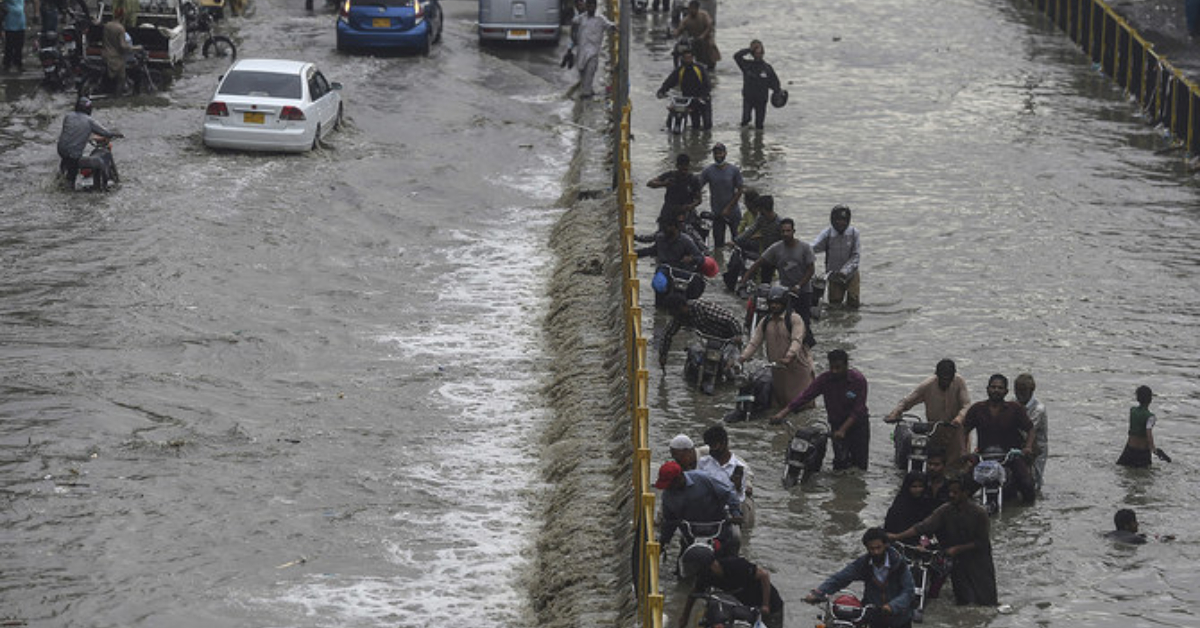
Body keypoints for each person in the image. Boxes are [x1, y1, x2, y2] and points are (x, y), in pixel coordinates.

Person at [889, 476, 997, 606]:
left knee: (987, 601)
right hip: (957, 562)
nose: (951, 495)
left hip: (979, 561)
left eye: (955, 492)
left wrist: (957, 549)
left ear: (966, 493)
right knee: (964, 600)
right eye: (949, 492)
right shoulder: (945, 510)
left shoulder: (980, 514)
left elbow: (982, 542)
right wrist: (897, 537)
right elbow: (923, 527)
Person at [771, 349, 871, 471]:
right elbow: (805, 396)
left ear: (846, 365)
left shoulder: (858, 380)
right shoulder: (824, 380)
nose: (835, 371)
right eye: (832, 367)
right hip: (836, 424)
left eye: (838, 367)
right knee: (839, 463)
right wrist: (782, 413)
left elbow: (858, 409)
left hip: (857, 426)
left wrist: (843, 430)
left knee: (859, 465)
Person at [805, 528, 916, 628]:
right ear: (867, 548)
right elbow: (840, 578)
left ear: (886, 545)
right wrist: (819, 593)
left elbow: (908, 591)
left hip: (900, 620)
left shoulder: (899, 564)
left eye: (878, 548)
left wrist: (891, 607)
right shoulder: (863, 564)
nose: (876, 552)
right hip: (874, 618)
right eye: (872, 549)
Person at [954, 374, 1036, 504]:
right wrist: (963, 451)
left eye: (1000, 388)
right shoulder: (977, 409)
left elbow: (1030, 429)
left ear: (1006, 391)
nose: (996, 390)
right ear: (987, 389)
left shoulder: (1015, 409)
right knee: (963, 486)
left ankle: (1028, 513)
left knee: (1027, 484)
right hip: (983, 456)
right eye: (993, 387)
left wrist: (1028, 447)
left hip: (1009, 456)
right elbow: (963, 430)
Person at [739, 218, 816, 347]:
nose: (786, 234)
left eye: (788, 231)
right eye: (783, 231)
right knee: (782, 321)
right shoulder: (776, 248)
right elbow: (758, 262)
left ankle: (807, 348)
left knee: (804, 323)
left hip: (803, 291)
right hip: (785, 292)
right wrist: (743, 280)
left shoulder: (805, 248)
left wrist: (799, 285)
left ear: (793, 231)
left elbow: (811, 270)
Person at [885, 359, 971, 474]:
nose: (945, 382)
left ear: (953, 376)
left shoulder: (959, 382)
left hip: (956, 429)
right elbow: (907, 401)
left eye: (949, 379)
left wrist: (959, 419)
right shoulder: (928, 385)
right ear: (937, 375)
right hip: (935, 428)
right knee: (933, 461)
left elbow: (966, 405)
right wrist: (894, 414)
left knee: (958, 462)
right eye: (943, 379)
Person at [737, 286, 813, 410]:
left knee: (801, 404)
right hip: (778, 368)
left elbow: (797, 340)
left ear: (784, 303)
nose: (774, 306)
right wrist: (741, 358)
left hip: (798, 368)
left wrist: (789, 355)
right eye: (772, 303)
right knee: (780, 402)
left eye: (777, 303)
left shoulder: (794, 319)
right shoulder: (765, 321)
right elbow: (754, 343)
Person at [654, 460, 743, 554]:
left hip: (717, 529)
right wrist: (663, 542)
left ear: (679, 478)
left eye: (670, 485)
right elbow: (669, 521)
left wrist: (735, 513)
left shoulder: (703, 479)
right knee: (684, 562)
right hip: (690, 534)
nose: (669, 489)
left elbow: (728, 493)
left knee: (732, 546)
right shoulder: (667, 496)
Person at [679, 554, 784, 628]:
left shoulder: (736, 565)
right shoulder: (706, 576)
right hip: (746, 605)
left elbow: (764, 575)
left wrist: (765, 605)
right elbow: (693, 595)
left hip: (770, 603)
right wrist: (685, 617)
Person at [659, 293, 743, 371]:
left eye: (672, 311)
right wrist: (663, 354)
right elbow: (667, 334)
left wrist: (738, 335)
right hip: (709, 338)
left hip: (728, 339)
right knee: (695, 357)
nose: (672, 315)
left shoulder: (701, 307)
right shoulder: (679, 317)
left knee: (731, 367)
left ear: (681, 307)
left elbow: (730, 319)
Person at [698, 425, 755, 530]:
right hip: (706, 513)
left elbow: (740, 498)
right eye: (709, 446)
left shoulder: (739, 467)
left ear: (724, 443)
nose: (711, 450)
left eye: (714, 446)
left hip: (728, 516)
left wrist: (737, 486)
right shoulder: (703, 463)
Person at [56, 96, 120, 188]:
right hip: (74, 156)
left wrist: (91, 137)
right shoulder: (90, 121)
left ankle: (62, 178)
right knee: (73, 175)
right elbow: (106, 133)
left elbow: (75, 132)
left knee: (68, 165)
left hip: (62, 153)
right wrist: (116, 134)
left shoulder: (68, 117)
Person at [811, 204, 861, 308]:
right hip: (834, 276)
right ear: (833, 220)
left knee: (853, 303)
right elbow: (812, 248)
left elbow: (856, 256)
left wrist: (845, 271)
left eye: (844, 220)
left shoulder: (853, 233)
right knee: (834, 306)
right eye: (838, 220)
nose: (841, 223)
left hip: (852, 274)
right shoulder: (827, 234)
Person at [567, 0, 615, 99]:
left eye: (593, 5)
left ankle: (585, 101)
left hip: (593, 54)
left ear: (596, 6)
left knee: (589, 74)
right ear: (586, 6)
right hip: (581, 53)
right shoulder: (581, 18)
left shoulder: (601, 19)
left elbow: (611, 26)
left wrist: (618, 28)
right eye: (589, 5)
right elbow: (573, 27)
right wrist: (570, 48)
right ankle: (586, 92)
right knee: (583, 75)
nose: (590, 7)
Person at [698, 143, 744, 249]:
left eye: (720, 153)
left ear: (725, 153)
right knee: (718, 245)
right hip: (717, 213)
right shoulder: (708, 171)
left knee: (738, 242)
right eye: (716, 153)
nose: (718, 156)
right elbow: (698, 187)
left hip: (733, 212)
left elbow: (740, 190)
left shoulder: (734, 170)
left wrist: (729, 208)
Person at [657, 46, 713, 131]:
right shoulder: (680, 70)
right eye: (686, 58)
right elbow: (669, 82)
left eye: (689, 58)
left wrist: (703, 96)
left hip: (702, 99)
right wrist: (662, 91)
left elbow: (707, 84)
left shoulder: (699, 69)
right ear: (682, 59)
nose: (688, 60)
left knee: (707, 125)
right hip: (688, 99)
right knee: (695, 124)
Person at [733, 40, 781, 129]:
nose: (758, 53)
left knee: (759, 125)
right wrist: (749, 49)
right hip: (748, 98)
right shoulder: (746, 65)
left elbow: (775, 84)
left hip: (762, 100)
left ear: (763, 52)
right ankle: (744, 140)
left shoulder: (767, 68)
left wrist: (778, 93)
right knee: (745, 120)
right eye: (756, 51)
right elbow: (736, 56)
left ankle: (758, 141)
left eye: (760, 51)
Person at [733, 195, 781, 283]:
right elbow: (751, 230)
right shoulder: (761, 219)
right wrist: (736, 241)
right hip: (766, 254)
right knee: (765, 281)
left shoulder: (779, 223)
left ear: (764, 209)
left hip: (778, 255)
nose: (758, 212)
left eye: (760, 210)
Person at [1117, 385, 1170, 467]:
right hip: (1142, 452)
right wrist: (1154, 449)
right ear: (1150, 399)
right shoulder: (1150, 417)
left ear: (1137, 398)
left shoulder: (1132, 411)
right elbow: (1149, 434)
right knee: (1145, 476)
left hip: (1129, 449)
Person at [1013, 373, 1048, 491]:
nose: (1019, 394)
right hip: (1017, 445)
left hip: (1037, 450)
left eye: (1023, 390)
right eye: (1017, 390)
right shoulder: (1013, 402)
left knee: (1035, 479)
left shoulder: (1039, 409)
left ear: (1032, 390)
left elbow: (1027, 429)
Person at [101, 4, 136, 94]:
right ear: (122, 17)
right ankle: (118, 97)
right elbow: (122, 45)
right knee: (121, 78)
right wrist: (134, 48)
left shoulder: (107, 25)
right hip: (115, 57)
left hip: (105, 54)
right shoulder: (120, 28)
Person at [672, 0, 718, 68]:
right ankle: (676, 68)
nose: (691, 11)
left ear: (697, 9)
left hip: (706, 39)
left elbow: (709, 26)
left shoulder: (704, 15)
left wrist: (703, 35)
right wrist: (675, 33)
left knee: (710, 60)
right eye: (690, 9)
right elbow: (680, 29)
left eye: (693, 9)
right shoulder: (686, 19)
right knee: (677, 48)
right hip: (693, 40)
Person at [2, 0, 26, 73]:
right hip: (10, 21)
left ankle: (18, 63)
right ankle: (7, 63)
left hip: (20, 22)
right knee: (9, 45)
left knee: (19, 45)